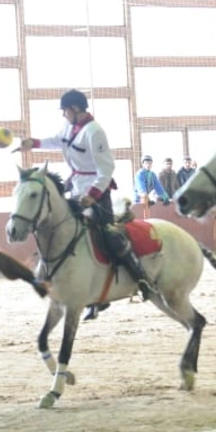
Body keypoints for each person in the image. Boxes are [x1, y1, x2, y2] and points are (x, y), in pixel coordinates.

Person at [19, 89, 157, 305]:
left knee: (109, 236)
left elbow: (107, 169)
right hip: (75, 186)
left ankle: (141, 278)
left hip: (97, 191)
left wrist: (92, 196)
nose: (63, 114)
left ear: (75, 109)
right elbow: (58, 140)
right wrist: (34, 143)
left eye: (65, 110)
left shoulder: (95, 132)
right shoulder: (70, 126)